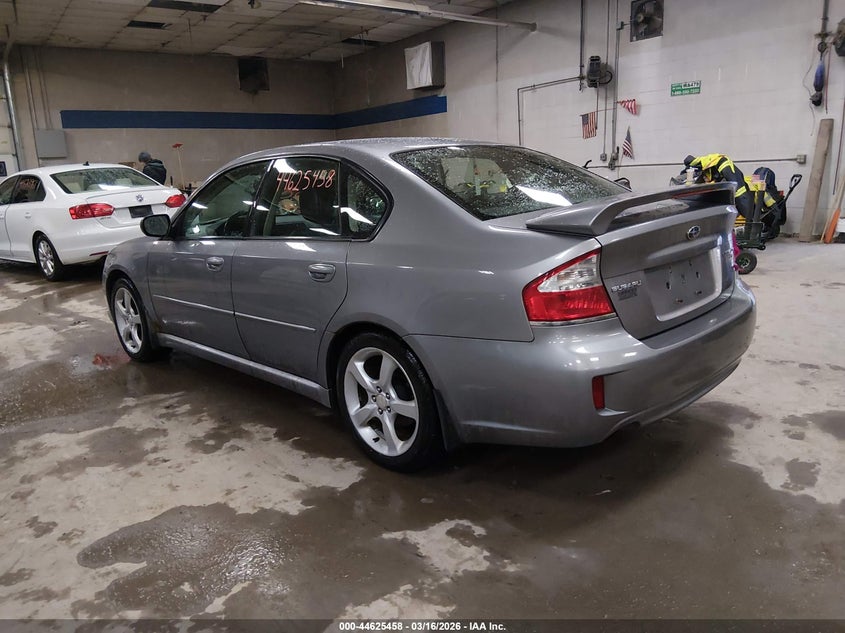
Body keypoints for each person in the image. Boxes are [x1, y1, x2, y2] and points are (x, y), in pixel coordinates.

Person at [683, 153, 752, 218]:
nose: (704, 179)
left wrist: (748, 215)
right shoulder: (706, 165)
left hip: (742, 197)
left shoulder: (722, 165)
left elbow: (740, 194)